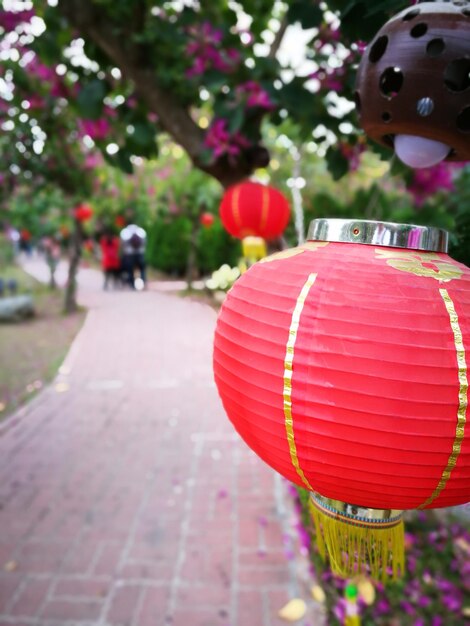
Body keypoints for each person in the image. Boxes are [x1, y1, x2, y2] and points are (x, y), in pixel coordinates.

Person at [119, 224, 147, 289]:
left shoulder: (125, 232)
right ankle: (143, 283)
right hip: (140, 254)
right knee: (142, 269)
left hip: (129, 255)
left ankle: (132, 285)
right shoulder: (141, 232)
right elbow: (145, 243)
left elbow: (123, 244)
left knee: (130, 270)